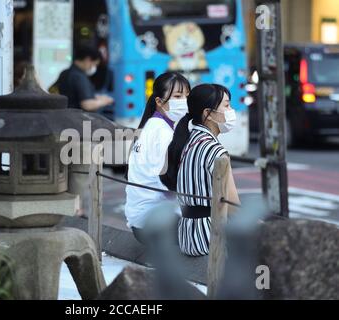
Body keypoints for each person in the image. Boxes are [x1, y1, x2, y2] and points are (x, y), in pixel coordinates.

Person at [160, 84, 240, 256]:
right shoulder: (216, 151)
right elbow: (232, 205)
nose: (231, 110)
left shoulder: (190, 141)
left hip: (188, 234)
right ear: (208, 114)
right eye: (226, 106)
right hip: (209, 237)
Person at [124, 72, 191, 244]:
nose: (184, 101)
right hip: (158, 225)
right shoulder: (162, 133)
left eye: (186, 96)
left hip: (141, 222)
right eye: (177, 96)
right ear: (159, 102)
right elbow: (169, 183)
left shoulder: (151, 126)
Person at [51, 45, 114, 111]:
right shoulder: (79, 77)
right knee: (90, 121)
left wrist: (94, 97)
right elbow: (87, 105)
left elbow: (54, 91)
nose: (93, 68)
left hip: (65, 115)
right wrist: (105, 101)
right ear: (88, 59)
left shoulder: (64, 73)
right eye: (94, 64)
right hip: (81, 119)